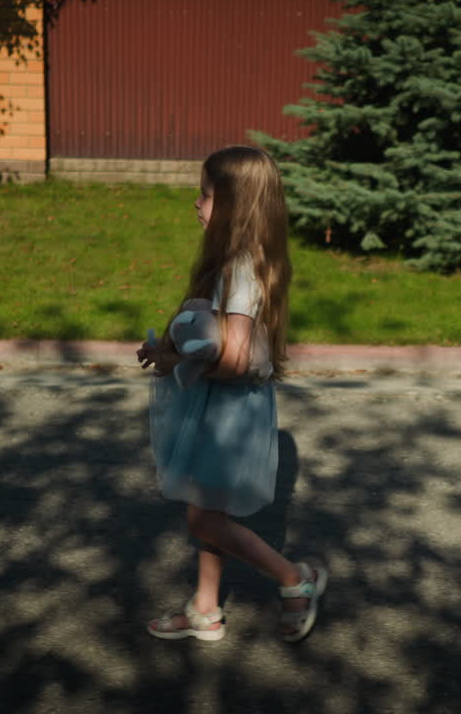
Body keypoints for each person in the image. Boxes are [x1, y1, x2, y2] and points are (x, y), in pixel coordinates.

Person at [136, 145, 327, 643]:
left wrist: (173, 363)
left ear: (235, 207)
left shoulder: (238, 274)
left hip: (228, 412)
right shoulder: (244, 264)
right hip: (225, 406)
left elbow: (235, 360)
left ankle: (294, 578)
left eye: (205, 195)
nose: (195, 204)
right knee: (209, 509)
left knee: (203, 517)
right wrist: (173, 349)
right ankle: (205, 608)